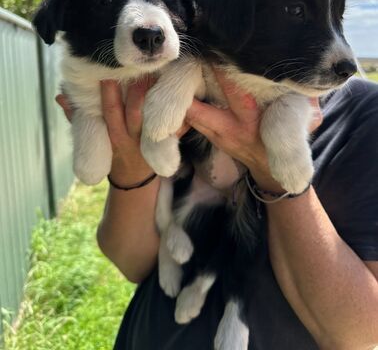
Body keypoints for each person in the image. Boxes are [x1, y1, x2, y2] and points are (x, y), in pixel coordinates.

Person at [57, 71, 378, 350]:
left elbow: (357, 333)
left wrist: (274, 172)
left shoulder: (362, 115)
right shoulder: (178, 87)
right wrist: (131, 168)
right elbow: (133, 263)